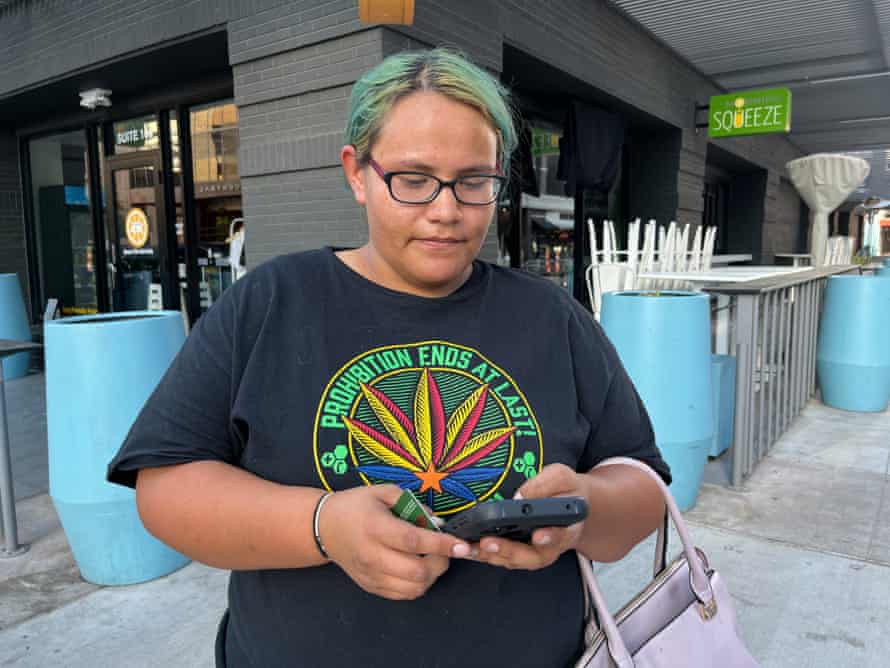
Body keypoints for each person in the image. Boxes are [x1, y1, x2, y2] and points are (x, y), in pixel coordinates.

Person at [108, 48, 670, 668]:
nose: (446, 209)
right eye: (413, 179)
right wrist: (323, 525)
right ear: (357, 173)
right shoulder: (271, 302)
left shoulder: (552, 315)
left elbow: (640, 483)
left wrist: (582, 513)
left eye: (474, 181)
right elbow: (164, 489)